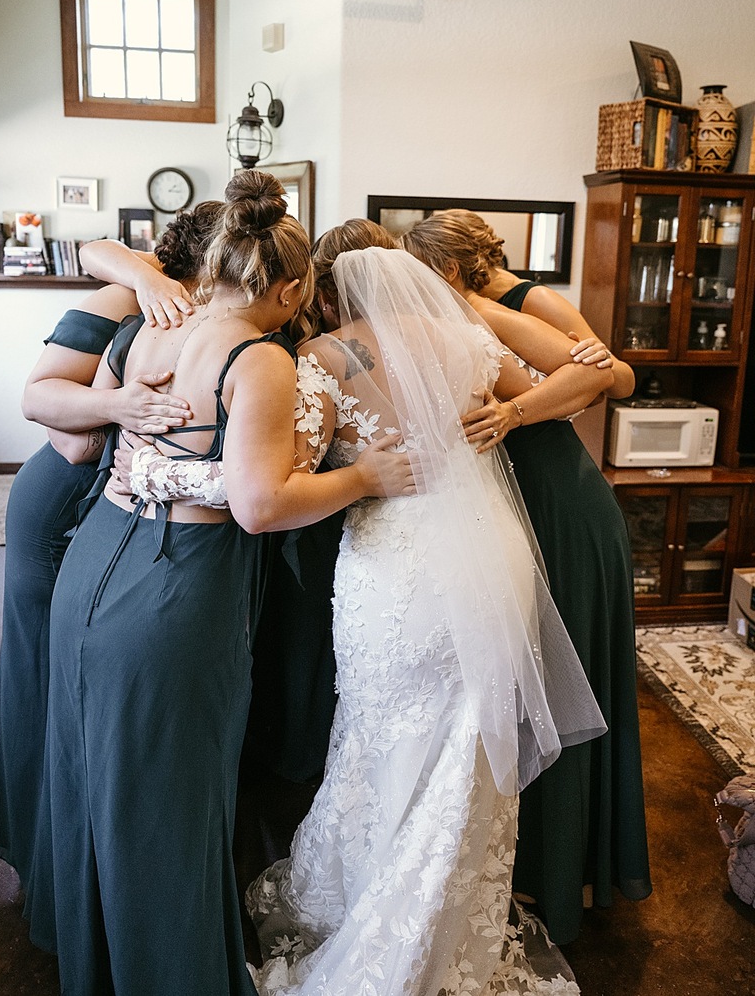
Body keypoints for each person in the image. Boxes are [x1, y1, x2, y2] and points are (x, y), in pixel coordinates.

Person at [42, 172, 414, 996]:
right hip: (177, 587)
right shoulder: (262, 358)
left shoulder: (148, 329)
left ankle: (103, 961)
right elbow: (261, 505)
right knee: (174, 791)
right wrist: (366, 478)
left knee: (100, 772)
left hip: (94, 564)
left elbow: (98, 440)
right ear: (290, 289)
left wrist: (162, 467)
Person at [239, 245, 606, 995]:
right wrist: (513, 411)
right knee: (470, 732)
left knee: (382, 725)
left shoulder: (323, 357)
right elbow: (584, 381)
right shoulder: (468, 336)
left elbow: (286, 488)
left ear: (330, 297)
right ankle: (451, 917)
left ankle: (381, 908)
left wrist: (358, 473)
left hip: (396, 564)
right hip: (490, 550)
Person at [402, 209, 652, 946]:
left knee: (567, 677)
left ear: (450, 270)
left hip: (561, 508)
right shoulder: (455, 314)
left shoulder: (519, 301)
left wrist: (513, 410)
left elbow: (614, 377)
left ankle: (565, 864)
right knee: (524, 677)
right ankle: (523, 856)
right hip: (511, 508)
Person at [0, 257, 193, 952]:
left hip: (108, 503)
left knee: (73, 687)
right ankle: (40, 856)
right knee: (44, 679)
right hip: (56, 511)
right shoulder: (125, 293)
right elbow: (47, 410)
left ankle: (65, 858)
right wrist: (118, 405)